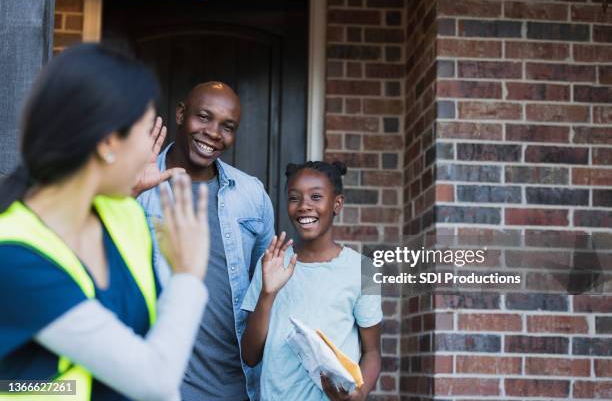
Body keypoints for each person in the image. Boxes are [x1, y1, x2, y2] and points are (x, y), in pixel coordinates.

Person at [0, 43, 210, 401]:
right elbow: (154, 378)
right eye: (148, 132)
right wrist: (189, 273)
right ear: (108, 142)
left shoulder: (126, 213)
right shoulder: (14, 254)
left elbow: (161, 341)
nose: (152, 151)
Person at [137, 82, 275, 400]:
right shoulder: (137, 186)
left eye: (228, 127)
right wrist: (127, 190)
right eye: (204, 117)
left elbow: (265, 290)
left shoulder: (251, 194)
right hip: (160, 383)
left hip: (236, 387)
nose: (214, 133)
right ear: (181, 113)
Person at [240, 161, 382, 401]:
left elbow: (372, 353)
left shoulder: (363, 270)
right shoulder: (272, 264)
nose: (304, 206)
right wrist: (267, 294)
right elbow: (250, 355)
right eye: (294, 198)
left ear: (337, 204)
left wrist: (361, 392)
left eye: (316, 197)